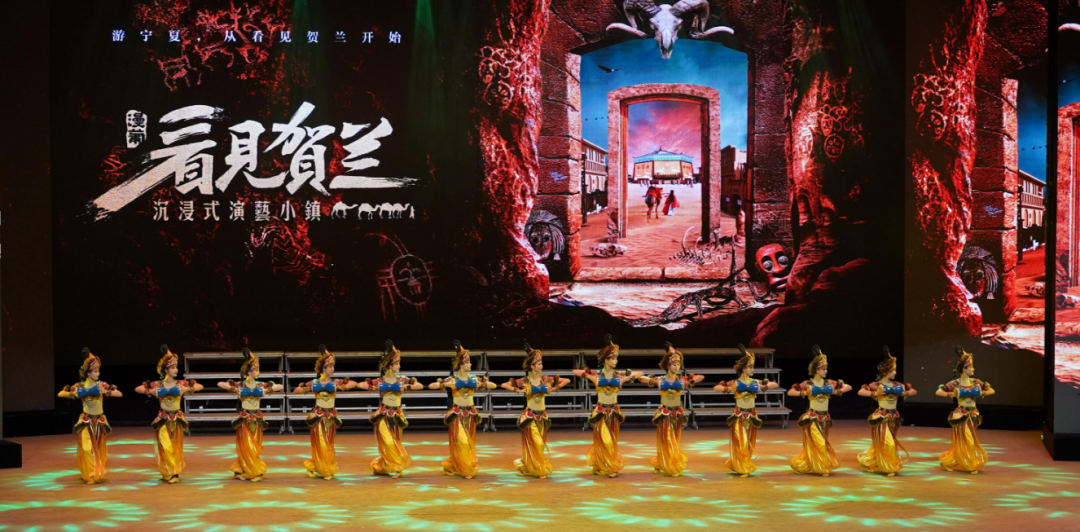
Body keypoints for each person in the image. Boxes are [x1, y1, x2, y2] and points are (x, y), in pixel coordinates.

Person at [572, 335, 643, 477]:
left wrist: (627, 377)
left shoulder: (619, 376)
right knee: (605, 441)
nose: (616, 361)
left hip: (614, 412)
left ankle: (603, 465)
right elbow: (575, 372)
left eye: (616, 358)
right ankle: (610, 467)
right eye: (613, 358)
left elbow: (640, 373)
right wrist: (590, 374)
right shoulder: (597, 376)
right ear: (606, 360)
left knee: (612, 441)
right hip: (600, 412)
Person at [501, 342, 571, 478]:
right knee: (537, 443)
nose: (541, 366)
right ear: (532, 366)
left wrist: (555, 388)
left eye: (541, 363)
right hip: (530, 416)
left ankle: (529, 465)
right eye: (538, 364)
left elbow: (566, 380)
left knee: (540, 444)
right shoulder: (525, 380)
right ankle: (539, 468)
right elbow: (505, 384)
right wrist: (518, 390)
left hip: (542, 416)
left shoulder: (545, 379)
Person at [356, 340, 424, 478]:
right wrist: (374, 387)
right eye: (397, 363)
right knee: (387, 441)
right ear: (390, 365)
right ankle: (394, 465)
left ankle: (394, 467)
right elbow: (360, 385)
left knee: (395, 441)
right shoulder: (381, 381)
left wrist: (406, 387)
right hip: (383, 413)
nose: (399, 366)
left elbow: (420, 385)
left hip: (397, 415)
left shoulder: (402, 380)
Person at [135, 345, 203, 483]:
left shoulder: (180, 383)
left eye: (176, 367)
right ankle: (170, 471)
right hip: (163, 419)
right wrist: (151, 391)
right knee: (165, 446)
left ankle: (174, 473)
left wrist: (185, 389)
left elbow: (199, 386)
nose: (176, 370)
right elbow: (138, 388)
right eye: (173, 368)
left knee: (175, 447)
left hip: (177, 419)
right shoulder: (157, 385)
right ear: (166, 370)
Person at [429, 341, 497, 479]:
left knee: (468, 442)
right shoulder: (453, 379)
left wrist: (480, 383)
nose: (470, 364)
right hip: (457, 414)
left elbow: (493, 385)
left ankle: (463, 465)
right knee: (462, 441)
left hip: (470, 414)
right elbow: (431, 386)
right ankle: (465, 469)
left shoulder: (474, 379)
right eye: (467, 362)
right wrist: (446, 384)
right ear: (460, 364)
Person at [217, 348, 284, 482]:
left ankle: (251, 471)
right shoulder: (241, 385)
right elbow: (220, 384)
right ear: (249, 371)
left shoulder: (260, 385)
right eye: (256, 370)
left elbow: (280, 386)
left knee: (254, 446)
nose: (258, 372)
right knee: (245, 446)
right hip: (244, 419)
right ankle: (247, 470)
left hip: (257, 419)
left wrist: (267, 390)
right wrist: (234, 389)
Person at [637, 342, 703, 476]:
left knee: (674, 439)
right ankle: (668, 464)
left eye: (678, 364)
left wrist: (689, 381)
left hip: (677, 413)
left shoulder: (682, 379)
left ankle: (668, 462)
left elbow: (701, 377)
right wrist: (653, 381)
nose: (676, 367)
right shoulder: (660, 380)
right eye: (674, 364)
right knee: (666, 439)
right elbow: (641, 378)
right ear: (668, 365)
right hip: (665, 413)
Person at [58, 348, 123, 484]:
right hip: (86, 421)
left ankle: (96, 471)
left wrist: (106, 392)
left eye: (98, 371)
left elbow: (119, 393)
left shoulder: (101, 385)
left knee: (99, 450)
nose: (98, 374)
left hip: (99, 421)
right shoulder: (79, 386)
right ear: (88, 373)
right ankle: (90, 474)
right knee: (87, 448)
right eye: (95, 371)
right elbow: (60, 394)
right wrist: (74, 394)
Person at [292, 345, 357, 479]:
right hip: (318, 416)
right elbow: (296, 390)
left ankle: (318, 466)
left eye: (333, 366)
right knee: (321, 443)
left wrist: (339, 387)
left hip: (331, 417)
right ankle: (324, 469)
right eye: (330, 366)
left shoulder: (335, 382)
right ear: (324, 368)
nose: (333, 369)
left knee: (329, 443)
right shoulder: (315, 382)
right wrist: (309, 389)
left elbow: (354, 383)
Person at [714, 344, 778, 477]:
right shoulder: (735, 383)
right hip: (739, 416)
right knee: (741, 442)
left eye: (753, 367)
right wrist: (729, 389)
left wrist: (762, 387)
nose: (752, 369)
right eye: (750, 367)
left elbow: (774, 384)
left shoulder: (755, 382)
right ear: (743, 368)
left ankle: (743, 464)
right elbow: (716, 387)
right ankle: (742, 467)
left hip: (752, 416)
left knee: (749, 442)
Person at [787, 345, 851, 476]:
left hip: (824, 419)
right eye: (823, 369)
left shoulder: (829, 383)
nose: (826, 371)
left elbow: (848, 387)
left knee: (818, 443)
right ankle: (822, 468)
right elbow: (790, 392)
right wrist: (803, 393)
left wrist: (837, 391)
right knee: (820, 443)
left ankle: (806, 463)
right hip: (812, 418)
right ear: (816, 370)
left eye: (826, 369)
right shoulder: (808, 384)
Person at [856, 347, 917, 476]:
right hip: (881, 417)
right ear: (886, 372)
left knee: (886, 442)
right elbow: (861, 391)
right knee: (889, 443)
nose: (895, 373)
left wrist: (906, 393)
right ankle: (890, 467)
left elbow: (913, 391)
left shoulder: (897, 385)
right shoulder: (876, 385)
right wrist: (874, 393)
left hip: (893, 417)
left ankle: (870, 461)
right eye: (893, 370)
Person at [935, 346, 995, 474]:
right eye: (971, 367)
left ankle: (948, 461)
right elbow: (938, 391)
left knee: (966, 441)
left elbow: (991, 390)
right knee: (969, 441)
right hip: (961, 415)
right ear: (964, 369)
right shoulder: (956, 383)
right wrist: (951, 394)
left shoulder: (976, 382)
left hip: (973, 414)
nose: (973, 369)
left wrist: (982, 393)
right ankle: (971, 465)